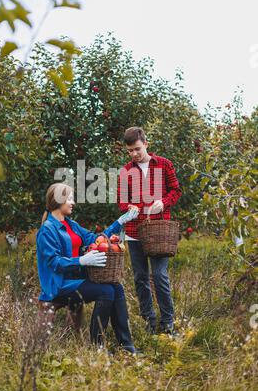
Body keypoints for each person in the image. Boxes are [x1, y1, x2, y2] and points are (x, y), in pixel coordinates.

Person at [36, 182, 140, 354]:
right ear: (57, 200)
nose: (72, 202)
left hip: (77, 281)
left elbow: (95, 239)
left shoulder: (71, 224)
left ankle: (127, 345)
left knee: (116, 287)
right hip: (59, 285)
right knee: (106, 291)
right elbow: (54, 262)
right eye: (69, 198)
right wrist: (81, 261)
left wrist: (120, 221)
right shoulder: (47, 230)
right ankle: (97, 346)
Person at [117, 127, 182, 335]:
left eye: (137, 149)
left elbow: (176, 190)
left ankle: (168, 321)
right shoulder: (126, 171)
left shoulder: (164, 164)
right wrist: (129, 207)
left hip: (158, 230)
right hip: (134, 231)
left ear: (146, 143)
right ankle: (149, 320)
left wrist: (163, 202)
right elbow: (121, 200)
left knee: (159, 274)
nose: (134, 154)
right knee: (140, 277)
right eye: (130, 151)